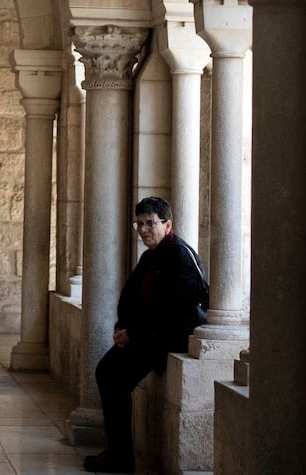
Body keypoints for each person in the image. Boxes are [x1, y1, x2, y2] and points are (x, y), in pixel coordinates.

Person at [84, 196, 207, 474]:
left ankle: (121, 458)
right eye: (139, 224)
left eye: (150, 223)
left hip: (165, 337)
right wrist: (121, 327)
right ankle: (118, 454)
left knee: (112, 376)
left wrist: (133, 333)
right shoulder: (151, 256)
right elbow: (131, 295)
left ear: (167, 224)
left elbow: (170, 307)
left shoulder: (178, 254)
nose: (143, 230)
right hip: (145, 334)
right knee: (106, 373)